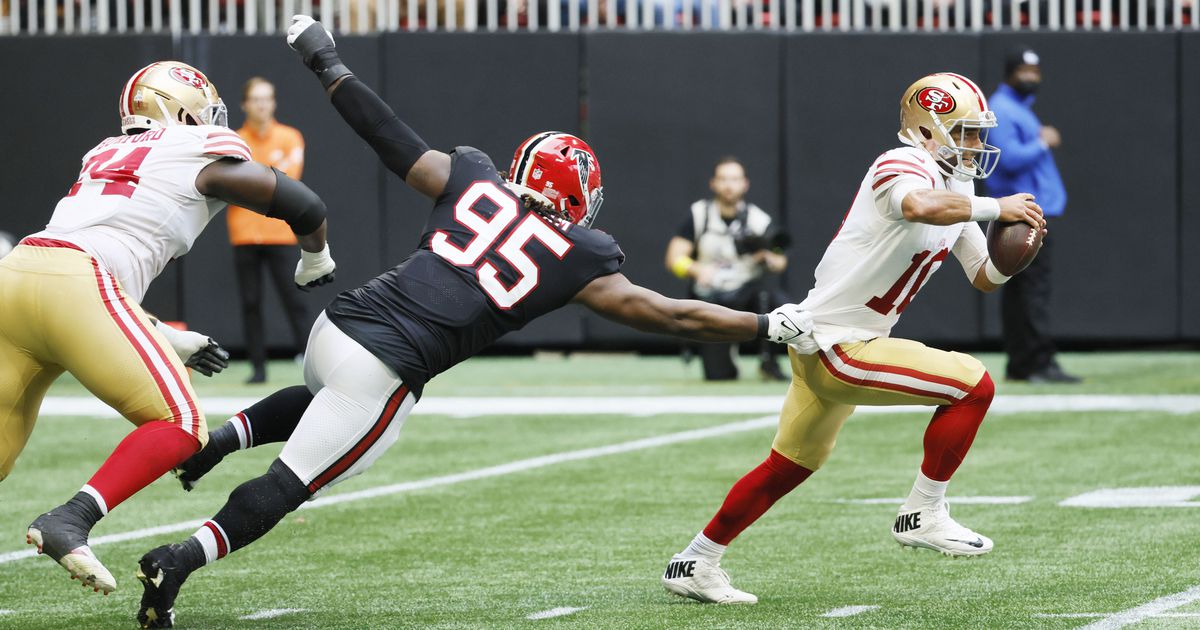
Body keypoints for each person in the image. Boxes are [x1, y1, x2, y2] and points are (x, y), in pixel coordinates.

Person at [131, 16, 810, 628]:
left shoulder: (474, 177)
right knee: (294, 481)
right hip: (387, 366)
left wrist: (324, 60)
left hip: (336, 328)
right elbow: (671, 315)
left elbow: (388, 136)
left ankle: (218, 442)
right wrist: (762, 326)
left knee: (322, 400)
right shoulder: (580, 253)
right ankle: (178, 560)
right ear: (575, 196)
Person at [660, 72, 1047, 604]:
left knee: (788, 466)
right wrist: (997, 208)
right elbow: (919, 207)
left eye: (980, 133)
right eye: (967, 131)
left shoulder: (960, 188)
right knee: (973, 384)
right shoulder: (900, 163)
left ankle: (696, 561)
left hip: (836, 340)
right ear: (928, 129)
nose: (977, 145)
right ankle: (923, 512)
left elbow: (982, 275)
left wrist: (1014, 257)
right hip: (839, 344)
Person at [1, 60, 337, 596]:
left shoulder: (104, 152)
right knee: (182, 424)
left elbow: (97, 266)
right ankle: (72, 519)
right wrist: (315, 254)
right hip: (78, 285)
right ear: (180, 109)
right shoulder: (195, 150)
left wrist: (166, 335)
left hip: (19, 274)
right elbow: (302, 203)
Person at [987, 47, 1079, 384]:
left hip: (1032, 211)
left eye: (1035, 72)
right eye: (1024, 71)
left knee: (1025, 290)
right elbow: (1008, 159)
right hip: (1023, 213)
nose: (1031, 77)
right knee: (1030, 291)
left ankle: (1024, 362)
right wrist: (1042, 142)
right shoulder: (1002, 108)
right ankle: (1035, 363)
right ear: (1010, 73)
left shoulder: (1018, 109)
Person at [665, 157, 790, 381]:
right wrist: (696, 270)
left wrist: (767, 257)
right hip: (712, 296)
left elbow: (781, 261)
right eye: (723, 179)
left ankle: (769, 361)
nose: (728, 185)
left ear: (745, 184)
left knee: (776, 302)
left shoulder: (758, 220)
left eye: (734, 179)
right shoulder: (699, 214)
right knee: (719, 375)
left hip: (745, 292)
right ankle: (723, 359)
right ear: (713, 183)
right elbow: (674, 258)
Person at [227, 77, 312, 383]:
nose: (262, 105)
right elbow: (232, 186)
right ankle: (258, 368)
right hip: (244, 234)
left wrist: (252, 184)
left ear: (274, 103)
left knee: (295, 300)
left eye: (267, 98)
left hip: (280, 234)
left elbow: (289, 182)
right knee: (250, 303)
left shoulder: (290, 137)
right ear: (244, 104)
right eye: (256, 99)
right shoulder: (233, 142)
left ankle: (311, 361)